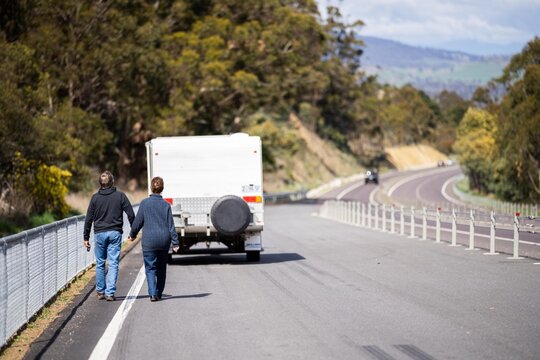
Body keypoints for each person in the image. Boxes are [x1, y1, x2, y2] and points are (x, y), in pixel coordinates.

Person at [84, 171, 135, 301]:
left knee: (100, 262)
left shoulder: (95, 198)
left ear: (100, 183)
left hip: (99, 233)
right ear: (112, 182)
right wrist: (133, 232)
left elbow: (89, 218)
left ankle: (100, 291)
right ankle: (110, 293)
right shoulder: (120, 196)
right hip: (115, 233)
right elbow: (130, 213)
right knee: (113, 263)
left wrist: (86, 237)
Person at [128, 177, 180, 302]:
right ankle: (159, 292)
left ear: (151, 188)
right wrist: (175, 242)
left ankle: (152, 293)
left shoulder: (145, 203)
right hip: (163, 240)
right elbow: (170, 225)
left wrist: (132, 234)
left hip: (149, 241)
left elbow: (138, 222)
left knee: (150, 268)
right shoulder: (166, 205)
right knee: (161, 267)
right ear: (162, 188)